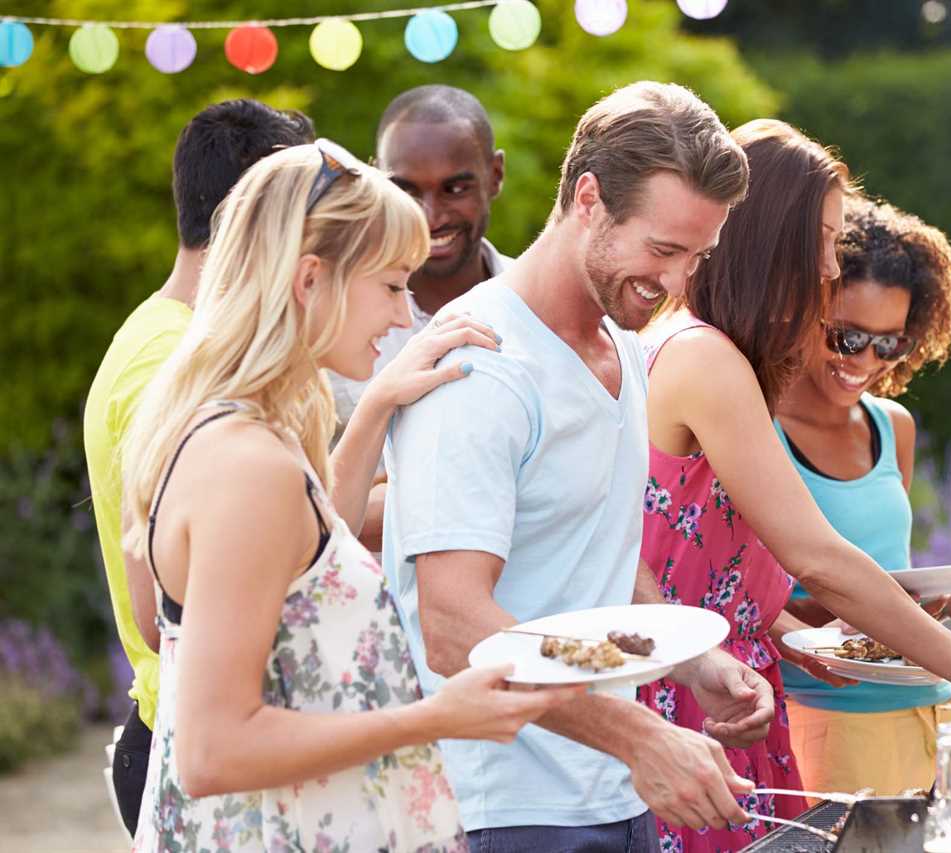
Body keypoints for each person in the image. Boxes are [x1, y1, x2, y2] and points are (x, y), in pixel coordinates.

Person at [120, 140, 579, 851]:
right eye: (393, 285)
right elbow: (214, 750)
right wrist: (436, 716)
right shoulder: (248, 468)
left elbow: (295, 562)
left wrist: (375, 408)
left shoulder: (222, 428)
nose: (404, 318)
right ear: (312, 279)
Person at [383, 81, 776, 851]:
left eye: (696, 256)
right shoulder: (480, 364)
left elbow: (597, 553)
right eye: (662, 249)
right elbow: (454, 626)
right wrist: (637, 733)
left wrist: (696, 660)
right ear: (588, 198)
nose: (675, 283)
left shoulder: (624, 348)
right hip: (499, 807)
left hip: (607, 792)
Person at [637, 120, 951, 852]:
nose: (828, 263)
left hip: (725, 697)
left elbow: (712, 571)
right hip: (697, 705)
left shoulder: (703, 350)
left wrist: (791, 631)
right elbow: (816, 556)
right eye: (822, 237)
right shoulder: (704, 357)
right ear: (770, 237)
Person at [83, 99, 314, 836]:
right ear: (251, 217)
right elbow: (166, 604)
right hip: (187, 741)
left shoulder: (175, 337)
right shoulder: (175, 360)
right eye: (297, 216)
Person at [776, 200, 951, 798]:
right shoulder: (757, 432)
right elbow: (752, 599)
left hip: (933, 708)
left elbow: (884, 587)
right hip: (832, 720)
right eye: (846, 336)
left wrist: (946, 599)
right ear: (805, 308)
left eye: (889, 346)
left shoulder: (892, 426)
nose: (864, 363)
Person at [327, 85, 512, 550]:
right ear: (376, 181)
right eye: (406, 190)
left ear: (495, 175)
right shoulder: (330, 326)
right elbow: (307, 516)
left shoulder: (541, 307)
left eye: (455, 188)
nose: (431, 216)